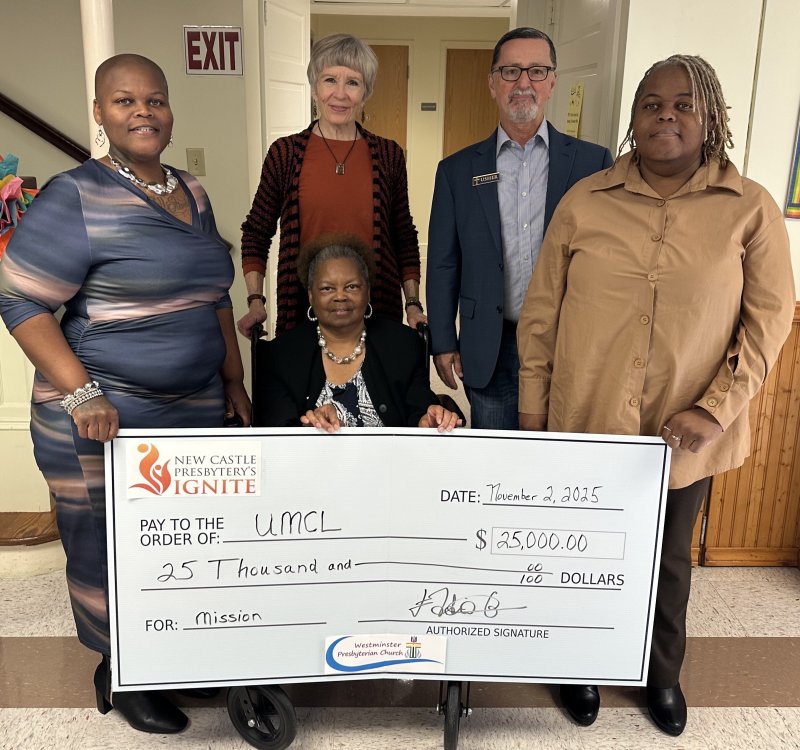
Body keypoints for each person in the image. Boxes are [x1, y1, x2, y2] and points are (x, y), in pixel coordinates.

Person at [516, 54, 794, 736]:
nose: (666, 115)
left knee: (668, 561)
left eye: (683, 104)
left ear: (711, 117)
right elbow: (542, 311)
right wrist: (532, 411)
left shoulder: (750, 207)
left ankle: (660, 673)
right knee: (580, 554)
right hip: (586, 419)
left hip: (684, 430)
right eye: (651, 104)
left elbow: (768, 321)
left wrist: (716, 410)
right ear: (634, 117)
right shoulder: (585, 202)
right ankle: (578, 665)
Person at [0, 54, 250, 734]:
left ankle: (171, 653)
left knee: (179, 542)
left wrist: (232, 379)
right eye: (124, 100)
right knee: (107, 545)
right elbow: (20, 301)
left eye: (155, 99)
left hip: (191, 408)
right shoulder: (74, 195)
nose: (143, 111)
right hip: (99, 416)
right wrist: (82, 394)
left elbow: (216, 295)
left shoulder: (192, 192)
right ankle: (120, 670)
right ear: (99, 113)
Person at [426, 27, 613, 431]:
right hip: (490, 343)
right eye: (510, 71)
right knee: (496, 457)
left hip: (566, 342)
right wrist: (442, 340)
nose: (523, 83)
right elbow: (443, 262)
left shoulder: (593, 165)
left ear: (552, 82)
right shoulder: (457, 171)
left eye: (537, 71)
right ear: (492, 83)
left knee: (561, 453)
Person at [238, 33, 424, 338]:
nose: (340, 94)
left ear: (365, 93)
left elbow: (403, 235)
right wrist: (256, 301)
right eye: (329, 80)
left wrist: (412, 304)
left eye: (352, 82)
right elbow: (256, 232)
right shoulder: (285, 154)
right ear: (314, 88)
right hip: (301, 310)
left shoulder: (389, 154)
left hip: (377, 311)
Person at [255, 234, 460, 433]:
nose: (340, 296)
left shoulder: (403, 344)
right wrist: (309, 429)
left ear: (368, 291)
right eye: (327, 288)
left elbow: (420, 410)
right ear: (310, 294)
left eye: (351, 287)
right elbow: (276, 427)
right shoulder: (280, 355)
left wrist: (427, 420)